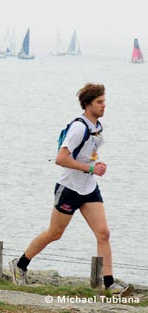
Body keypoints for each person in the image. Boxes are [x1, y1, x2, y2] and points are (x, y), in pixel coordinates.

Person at [9, 83, 130, 295]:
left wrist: (95, 166)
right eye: (99, 102)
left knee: (103, 233)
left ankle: (110, 283)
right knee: (55, 233)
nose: (104, 106)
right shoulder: (79, 127)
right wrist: (90, 167)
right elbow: (61, 159)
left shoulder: (97, 127)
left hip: (89, 188)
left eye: (104, 101)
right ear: (87, 104)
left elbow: (88, 153)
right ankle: (20, 264)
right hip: (69, 188)